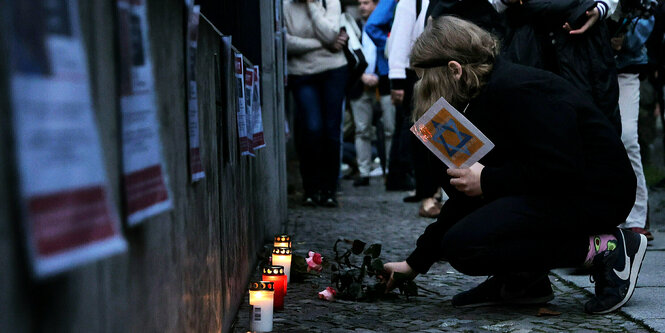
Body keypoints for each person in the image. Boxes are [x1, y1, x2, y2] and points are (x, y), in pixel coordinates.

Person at [383, 16, 647, 314]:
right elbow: (466, 200)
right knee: (461, 239)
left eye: (423, 78)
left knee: (465, 245)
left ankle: (609, 248)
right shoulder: (478, 96)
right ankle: (523, 280)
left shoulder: (518, 89)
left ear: (454, 70)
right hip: (557, 189)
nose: (420, 87)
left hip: (597, 193)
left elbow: (562, 169)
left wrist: (488, 181)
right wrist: (414, 263)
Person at [284, 0, 349, 207]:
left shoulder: (329, 2)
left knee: (331, 130)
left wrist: (313, 6)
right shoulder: (285, 5)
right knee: (312, 128)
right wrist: (324, 44)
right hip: (301, 74)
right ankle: (311, 189)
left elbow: (331, 34)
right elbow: (286, 42)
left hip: (333, 71)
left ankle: (329, 189)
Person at [609, 10, 655, 240]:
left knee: (627, 137)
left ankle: (636, 217)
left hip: (626, 69)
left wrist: (626, 40)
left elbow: (647, 12)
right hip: (587, 66)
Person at [349, 0, 396, 186]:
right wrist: (361, 76)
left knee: (390, 129)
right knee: (362, 129)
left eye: (367, 3)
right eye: (360, 3)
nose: (362, 7)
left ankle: (391, 171)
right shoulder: (352, 28)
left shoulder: (386, 28)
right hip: (360, 84)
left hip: (385, 82)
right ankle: (364, 172)